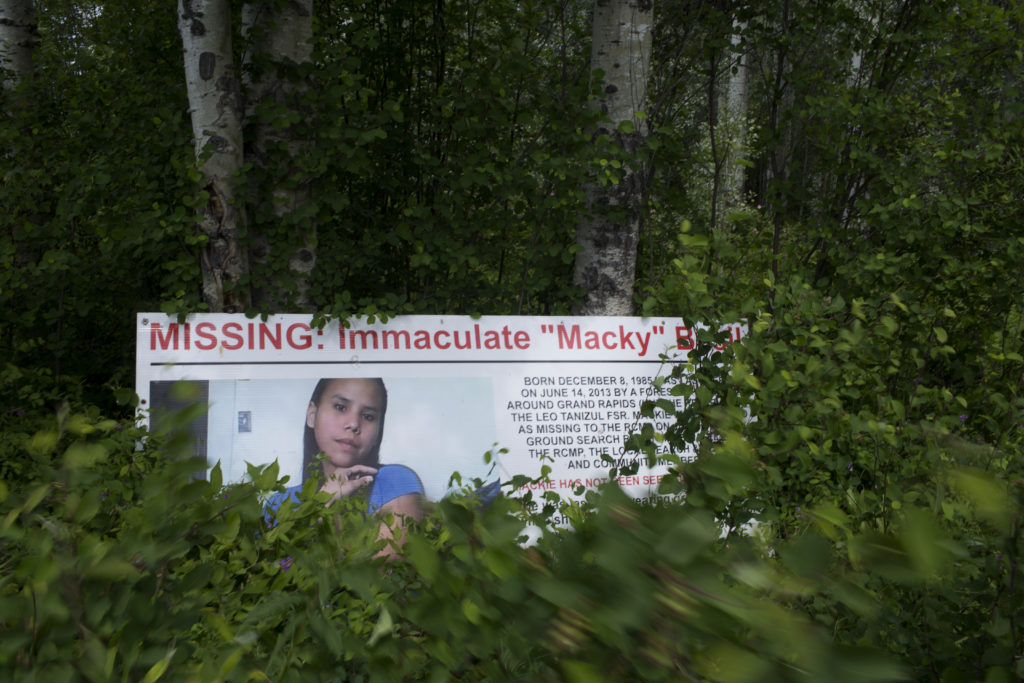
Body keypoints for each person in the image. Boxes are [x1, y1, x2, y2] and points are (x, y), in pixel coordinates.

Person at [265, 378, 425, 557]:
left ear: (379, 430)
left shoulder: (395, 482)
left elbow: (382, 573)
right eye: (340, 407)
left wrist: (327, 514)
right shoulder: (279, 503)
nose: (354, 424)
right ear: (312, 414)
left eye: (368, 416)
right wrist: (322, 504)